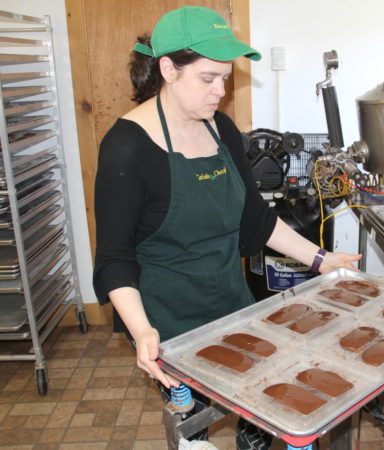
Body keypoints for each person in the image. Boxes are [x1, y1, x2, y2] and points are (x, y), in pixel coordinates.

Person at [93, 5, 361, 449]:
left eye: (225, 78)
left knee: (259, 412)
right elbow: (114, 259)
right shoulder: (126, 148)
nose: (220, 91)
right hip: (168, 323)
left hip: (233, 306)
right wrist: (143, 333)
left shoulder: (222, 130)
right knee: (196, 418)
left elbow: (256, 221)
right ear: (168, 69)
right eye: (208, 78)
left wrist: (322, 259)